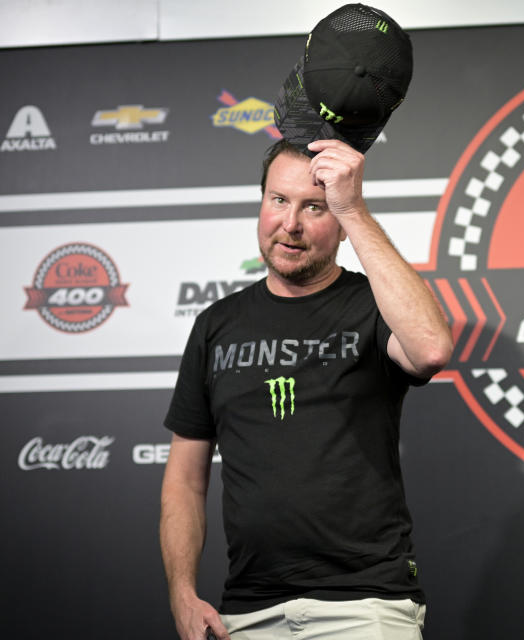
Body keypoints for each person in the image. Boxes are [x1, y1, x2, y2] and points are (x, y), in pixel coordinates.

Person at [159, 134, 453, 640]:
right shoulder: (216, 325)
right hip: (247, 613)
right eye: (278, 201)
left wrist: (354, 209)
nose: (290, 225)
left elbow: (430, 349)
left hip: (365, 606)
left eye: (314, 207)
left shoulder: (371, 307)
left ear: (339, 222)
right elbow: (185, 479)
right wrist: (181, 593)